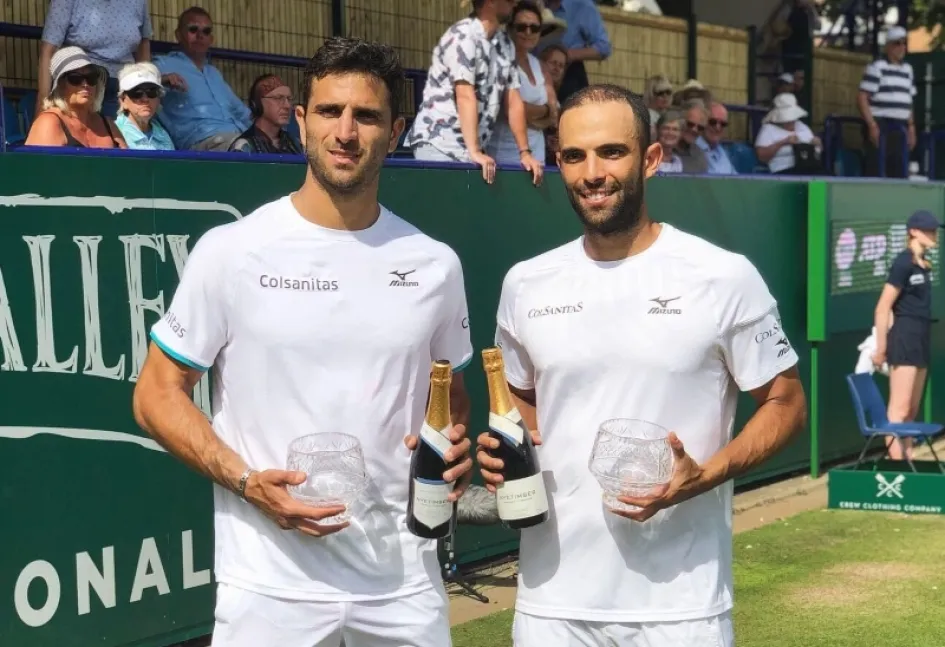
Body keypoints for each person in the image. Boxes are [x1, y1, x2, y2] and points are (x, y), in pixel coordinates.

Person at [132, 37, 475, 647]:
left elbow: (450, 398)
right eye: (328, 111)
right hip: (269, 584)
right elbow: (157, 393)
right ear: (300, 121)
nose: (345, 131)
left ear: (395, 131)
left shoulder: (434, 264)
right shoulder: (233, 250)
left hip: (401, 582)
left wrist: (450, 447)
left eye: (366, 116)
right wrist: (244, 481)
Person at [476, 83, 807, 647]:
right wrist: (509, 446)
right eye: (575, 156)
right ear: (558, 163)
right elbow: (518, 396)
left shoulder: (722, 276)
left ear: (650, 159)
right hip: (551, 603)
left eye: (612, 152)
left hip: (681, 607)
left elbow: (787, 401)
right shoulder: (525, 283)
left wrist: (705, 474)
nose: (592, 172)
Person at [872, 210, 942, 460]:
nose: (934, 235)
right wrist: (881, 348)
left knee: (911, 412)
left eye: (935, 230)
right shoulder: (903, 263)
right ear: (913, 232)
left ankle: (908, 463)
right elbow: (882, 308)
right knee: (898, 412)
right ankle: (899, 468)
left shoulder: (924, 264)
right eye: (928, 230)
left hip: (920, 340)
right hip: (904, 340)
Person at [37, 0, 153, 118]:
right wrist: (43, 104)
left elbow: (143, 46)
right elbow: (48, 50)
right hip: (82, 82)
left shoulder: (138, 2)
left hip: (124, 86)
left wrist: (145, 90)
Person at [487, 1, 557, 166]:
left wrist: (528, 114)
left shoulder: (540, 65)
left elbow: (555, 114)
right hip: (503, 155)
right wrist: (544, 112)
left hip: (537, 157)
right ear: (510, 28)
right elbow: (507, 109)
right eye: (521, 27)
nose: (528, 32)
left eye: (534, 28)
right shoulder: (501, 60)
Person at [26, 46, 126, 149]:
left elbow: (129, 163)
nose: (85, 84)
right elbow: (39, 164)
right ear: (60, 86)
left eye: (91, 77)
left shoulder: (108, 124)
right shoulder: (48, 123)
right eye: (75, 78)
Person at [230, 74, 303, 154]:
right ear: (257, 104)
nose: (287, 105)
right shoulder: (244, 146)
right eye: (278, 98)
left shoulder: (295, 144)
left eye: (289, 99)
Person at [114, 62, 175, 150]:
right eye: (136, 93)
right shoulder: (115, 133)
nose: (145, 99)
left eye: (151, 92)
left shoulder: (163, 135)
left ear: (158, 99)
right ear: (123, 101)